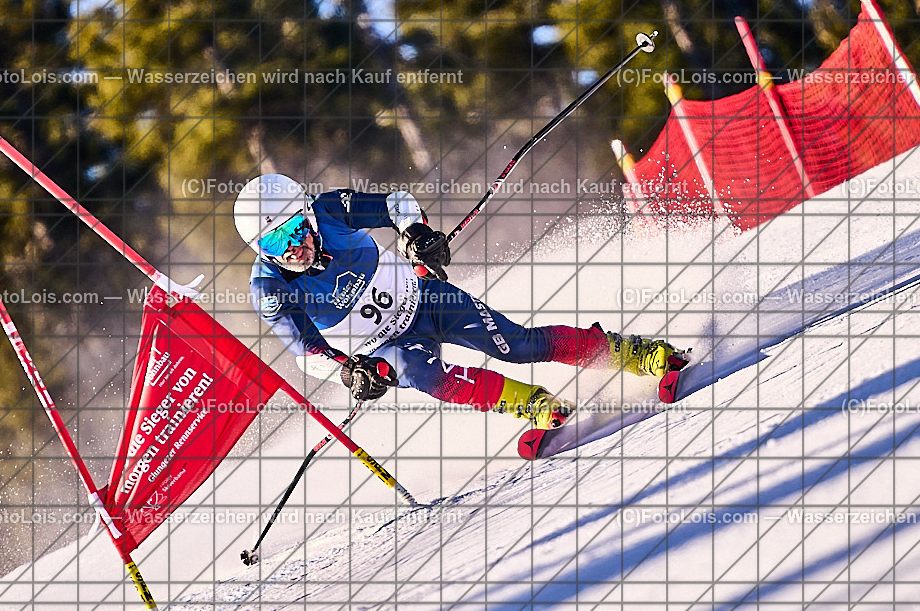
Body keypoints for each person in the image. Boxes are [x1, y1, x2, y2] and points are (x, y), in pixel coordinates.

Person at [235, 174, 686, 430]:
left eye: (293, 230)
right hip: (382, 348)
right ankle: (529, 404)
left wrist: (417, 237)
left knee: (518, 346)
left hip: (425, 298)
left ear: (308, 214)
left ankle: (636, 354)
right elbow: (307, 354)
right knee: (421, 375)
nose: (292, 248)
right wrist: (348, 371)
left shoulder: (331, 208)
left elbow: (396, 203)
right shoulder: (269, 287)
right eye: (275, 243)